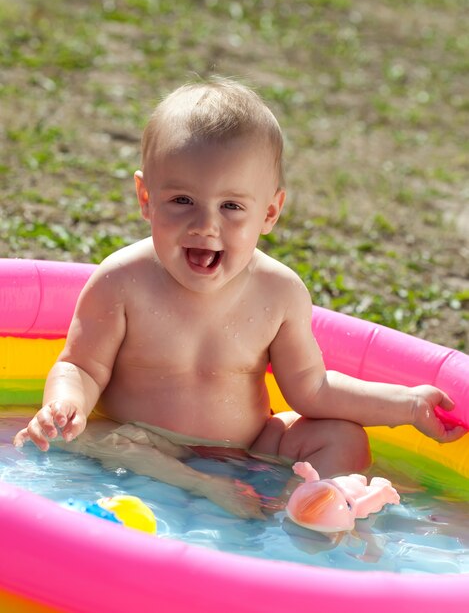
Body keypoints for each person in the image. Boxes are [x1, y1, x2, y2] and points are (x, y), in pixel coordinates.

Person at [13, 78, 466, 519]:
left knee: (343, 438)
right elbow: (82, 365)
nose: (205, 225)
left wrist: (404, 405)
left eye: (231, 207)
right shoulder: (121, 281)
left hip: (248, 446)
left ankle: (298, 511)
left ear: (269, 212)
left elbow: (312, 389)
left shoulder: (279, 292)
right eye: (182, 200)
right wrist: (65, 405)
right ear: (146, 197)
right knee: (85, 437)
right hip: (142, 442)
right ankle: (207, 489)